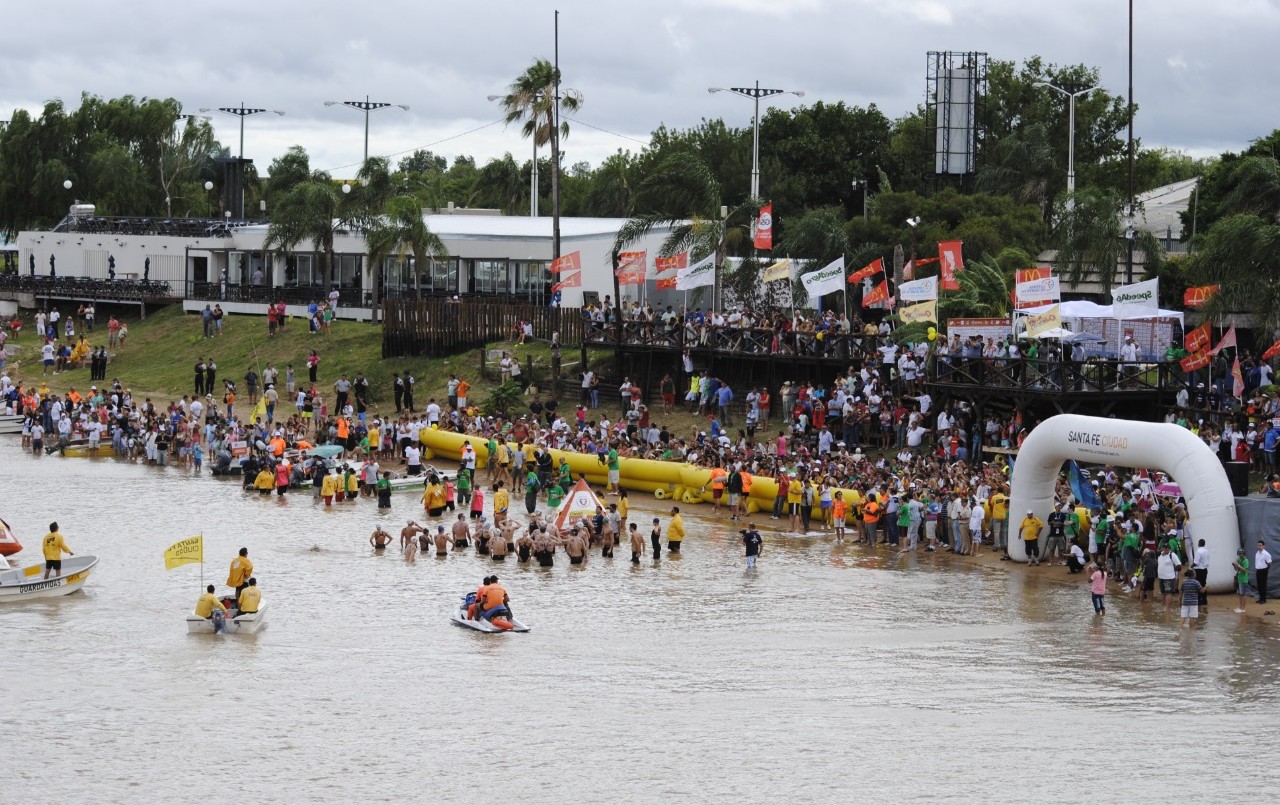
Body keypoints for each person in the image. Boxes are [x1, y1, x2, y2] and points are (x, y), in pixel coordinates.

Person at [1157, 544, 1182, 612]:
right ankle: (1163, 606)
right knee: (1163, 592)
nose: (1166, 549)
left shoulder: (1172, 555)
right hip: (1161, 577)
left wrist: (1173, 570)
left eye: (1167, 548)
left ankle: (1167, 608)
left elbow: (1179, 565)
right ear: (1162, 548)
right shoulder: (1160, 554)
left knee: (1169, 593)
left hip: (1169, 577)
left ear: (1169, 548)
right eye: (1164, 547)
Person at [1255, 540, 1273, 604]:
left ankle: (1263, 599)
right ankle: (1260, 598)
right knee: (1259, 585)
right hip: (1258, 570)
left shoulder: (1266, 554)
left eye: (1260, 545)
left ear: (1263, 546)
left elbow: (1269, 563)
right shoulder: (1257, 553)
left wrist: (1266, 569)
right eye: (1258, 545)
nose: (1259, 546)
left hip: (1264, 570)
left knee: (1263, 585)